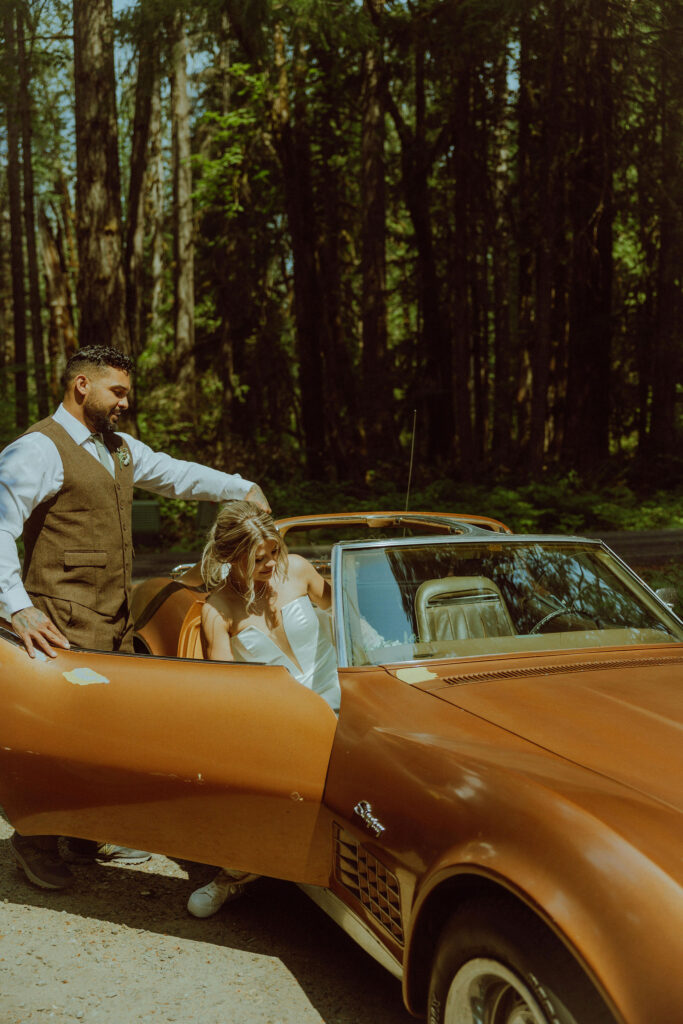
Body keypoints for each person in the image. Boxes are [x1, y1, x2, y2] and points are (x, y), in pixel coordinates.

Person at [0, 345, 270, 891]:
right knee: (54, 736)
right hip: (57, 617)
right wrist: (18, 606)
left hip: (111, 618)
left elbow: (176, 475)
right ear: (81, 386)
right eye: (116, 391)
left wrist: (239, 487)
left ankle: (81, 832)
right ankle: (33, 841)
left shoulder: (118, 449)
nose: (125, 401)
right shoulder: (37, 449)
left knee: (101, 730)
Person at [186, 500, 340, 918]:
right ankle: (234, 874)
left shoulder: (302, 571)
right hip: (277, 723)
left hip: (339, 704)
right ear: (231, 557)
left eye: (274, 551)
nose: (271, 563)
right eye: (258, 558)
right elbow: (225, 691)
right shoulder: (218, 609)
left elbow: (347, 618)